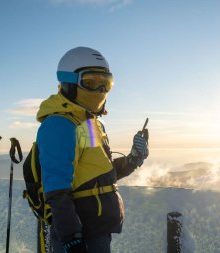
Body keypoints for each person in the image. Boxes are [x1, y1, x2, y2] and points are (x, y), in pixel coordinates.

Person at [36, 46, 149, 253]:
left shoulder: (88, 123)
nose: (100, 91)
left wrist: (133, 159)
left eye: (105, 83)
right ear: (69, 82)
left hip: (97, 230)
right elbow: (57, 188)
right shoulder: (59, 124)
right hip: (79, 235)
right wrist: (72, 238)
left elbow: (99, 173)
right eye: (91, 82)